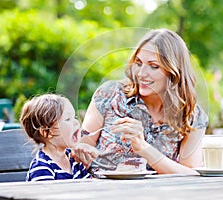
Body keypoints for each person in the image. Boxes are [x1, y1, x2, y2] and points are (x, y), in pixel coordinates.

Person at [81, 29, 209, 175]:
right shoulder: (110, 94)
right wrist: (78, 149)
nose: (141, 74)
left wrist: (143, 148)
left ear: (174, 71)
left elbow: (192, 175)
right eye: (139, 63)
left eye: (154, 66)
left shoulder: (191, 115)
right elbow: (81, 150)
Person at [20, 94, 94, 181]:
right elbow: (47, 194)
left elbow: (90, 187)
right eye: (68, 119)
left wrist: (89, 166)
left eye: (74, 117)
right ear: (46, 132)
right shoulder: (42, 168)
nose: (76, 122)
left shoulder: (74, 159)